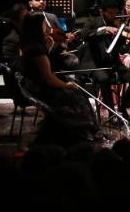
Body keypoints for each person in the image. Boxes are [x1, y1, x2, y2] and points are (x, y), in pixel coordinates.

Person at [16, 13, 98, 145]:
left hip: (30, 85)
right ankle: (83, 130)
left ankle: (77, 130)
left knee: (73, 86)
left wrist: (50, 45)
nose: (48, 27)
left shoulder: (26, 44)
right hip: (40, 89)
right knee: (76, 93)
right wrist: (67, 85)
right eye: (44, 24)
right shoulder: (37, 51)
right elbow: (49, 78)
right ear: (37, 28)